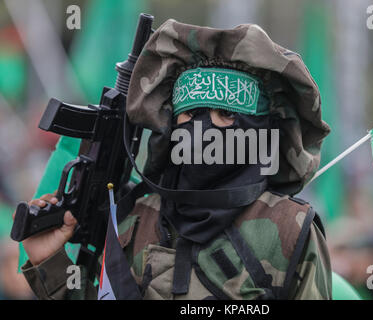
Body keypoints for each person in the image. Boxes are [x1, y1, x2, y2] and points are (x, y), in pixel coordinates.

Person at [16, 19, 332, 300]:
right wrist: (49, 263)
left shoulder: (291, 228)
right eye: (191, 114)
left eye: (225, 114)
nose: (203, 129)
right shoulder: (134, 216)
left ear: (257, 126)